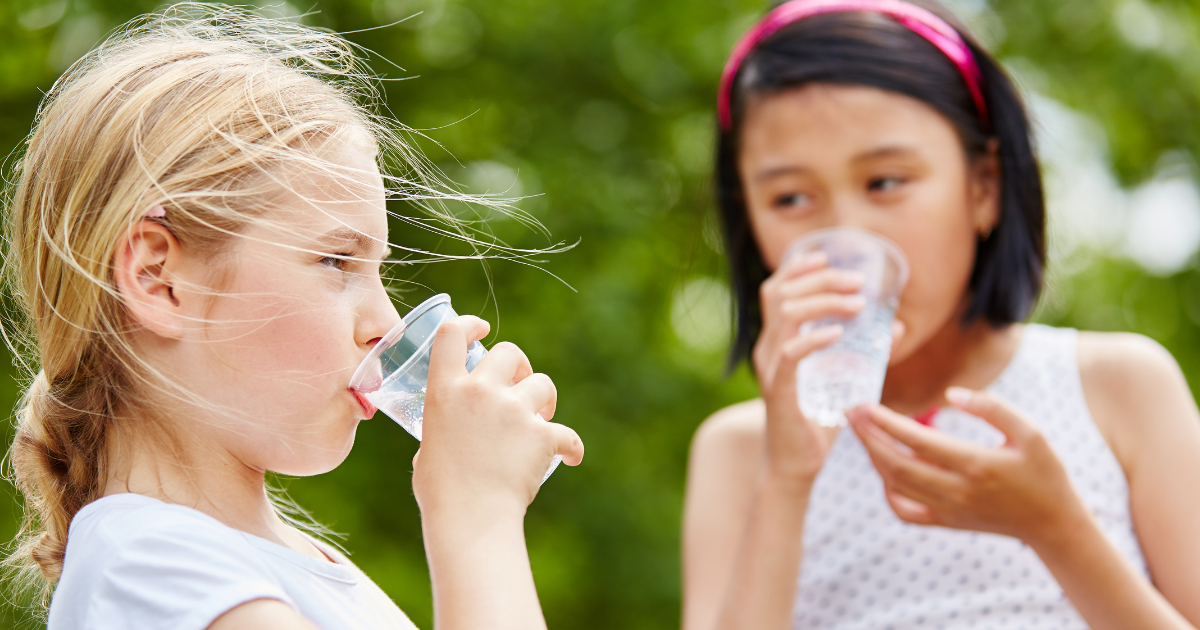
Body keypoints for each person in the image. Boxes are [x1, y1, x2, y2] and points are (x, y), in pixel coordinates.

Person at [1, 4, 583, 629]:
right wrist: (478, 513)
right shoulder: (150, 565)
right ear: (159, 280)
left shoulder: (278, 565)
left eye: (378, 269)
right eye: (337, 260)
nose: (386, 322)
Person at [682, 1, 1200, 629]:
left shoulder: (1118, 386)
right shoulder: (741, 453)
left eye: (886, 182)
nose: (847, 234)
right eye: (790, 197)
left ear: (983, 188)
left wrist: (1057, 530)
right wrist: (787, 479)